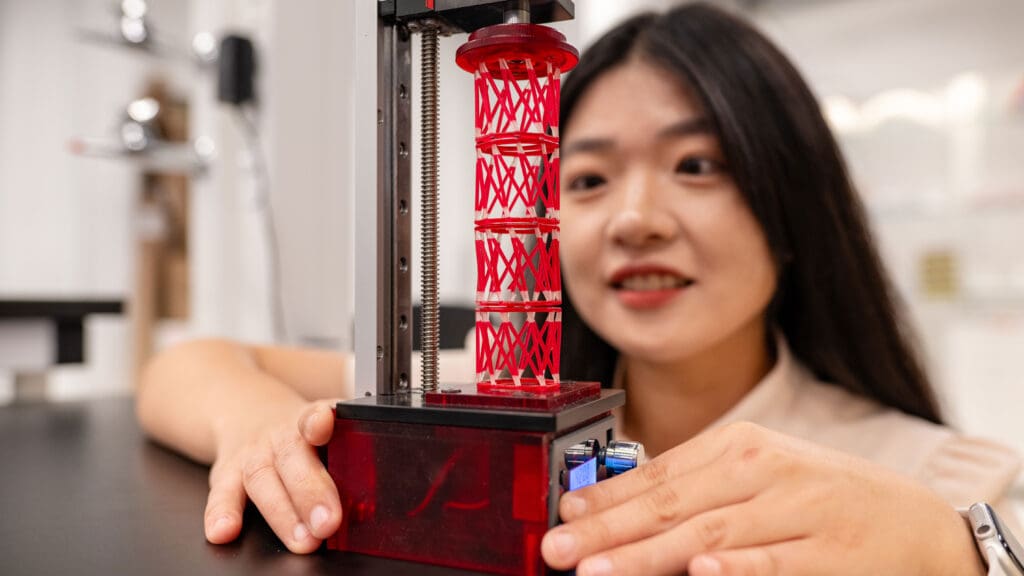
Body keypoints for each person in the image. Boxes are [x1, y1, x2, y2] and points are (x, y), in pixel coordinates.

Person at [137, 3, 1020, 575]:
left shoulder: (937, 478)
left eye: (696, 164)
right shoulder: (486, 389)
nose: (634, 218)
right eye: (589, 178)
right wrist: (251, 427)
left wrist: (957, 553)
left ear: (791, 209)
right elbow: (198, 363)